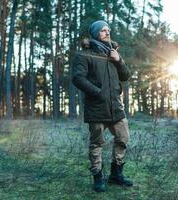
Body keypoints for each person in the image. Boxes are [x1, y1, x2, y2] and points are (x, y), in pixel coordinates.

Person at [72, 20, 133, 192]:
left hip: (116, 107)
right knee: (97, 143)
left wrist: (119, 60)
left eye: (108, 30)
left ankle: (116, 174)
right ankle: (98, 177)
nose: (107, 32)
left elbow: (126, 76)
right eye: (103, 30)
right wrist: (98, 92)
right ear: (95, 34)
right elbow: (78, 78)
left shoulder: (113, 53)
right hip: (97, 107)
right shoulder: (84, 55)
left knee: (123, 138)